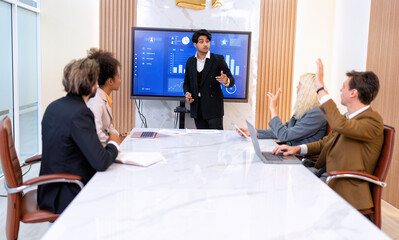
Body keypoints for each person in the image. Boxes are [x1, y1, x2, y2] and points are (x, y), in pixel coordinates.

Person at [272, 59, 384, 210]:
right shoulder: (348, 118)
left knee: (291, 194)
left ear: (353, 93)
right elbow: (325, 142)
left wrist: (320, 88)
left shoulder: (372, 121)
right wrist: (297, 149)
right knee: (281, 180)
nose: (340, 90)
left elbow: (339, 125)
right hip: (325, 174)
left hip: (343, 184)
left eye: (343, 87)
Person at [38, 57, 124, 214]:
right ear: (91, 84)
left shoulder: (54, 107)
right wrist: (114, 143)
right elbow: (101, 162)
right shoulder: (80, 113)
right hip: (68, 192)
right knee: (120, 192)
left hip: (49, 191)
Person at [237, 73, 327, 145]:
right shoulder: (306, 109)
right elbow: (282, 131)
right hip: (290, 153)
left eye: (299, 84)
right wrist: (254, 132)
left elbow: (284, 136)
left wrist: (273, 109)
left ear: (307, 89)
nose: (297, 87)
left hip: (299, 160)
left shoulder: (317, 113)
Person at [183, 29, 235, 130]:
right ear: (195, 44)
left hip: (214, 109)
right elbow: (186, 83)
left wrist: (226, 81)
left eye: (207, 41)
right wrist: (187, 93)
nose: (205, 44)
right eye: (201, 41)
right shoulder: (190, 61)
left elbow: (231, 80)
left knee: (217, 141)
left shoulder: (218, 59)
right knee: (202, 141)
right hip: (197, 108)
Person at [87, 48, 127, 146]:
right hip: (100, 152)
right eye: (118, 77)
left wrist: (120, 137)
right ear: (110, 81)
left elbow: (108, 128)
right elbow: (96, 134)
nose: (120, 81)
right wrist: (113, 140)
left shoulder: (104, 99)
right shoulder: (96, 102)